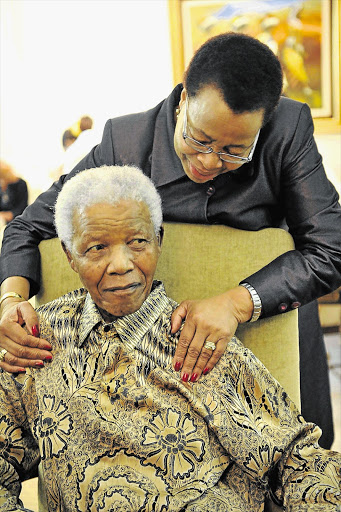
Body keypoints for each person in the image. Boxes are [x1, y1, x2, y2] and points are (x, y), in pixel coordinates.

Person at [0, 32, 340, 450]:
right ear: (182, 103)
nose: (210, 162)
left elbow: (330, 249)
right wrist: (11, 300)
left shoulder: (287, 131)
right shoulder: (123, 142)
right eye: (198, 139)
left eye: (235, 151)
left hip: (268, 318)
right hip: (161, 347)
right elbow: (27, 226)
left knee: (296, 451)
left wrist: (238, 301)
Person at [0, 165, 340, 512]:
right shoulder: (36, 341)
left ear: (158, 241)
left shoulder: (201, 340)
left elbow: (299, 461)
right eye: (98, 247)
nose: (121, 264)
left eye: (137, 242)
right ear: (70, 255)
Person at [0, 160, 28, 227]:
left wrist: (11, 214)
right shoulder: (1, 187)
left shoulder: (20, 184)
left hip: (18, 219)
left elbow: (22, 207)